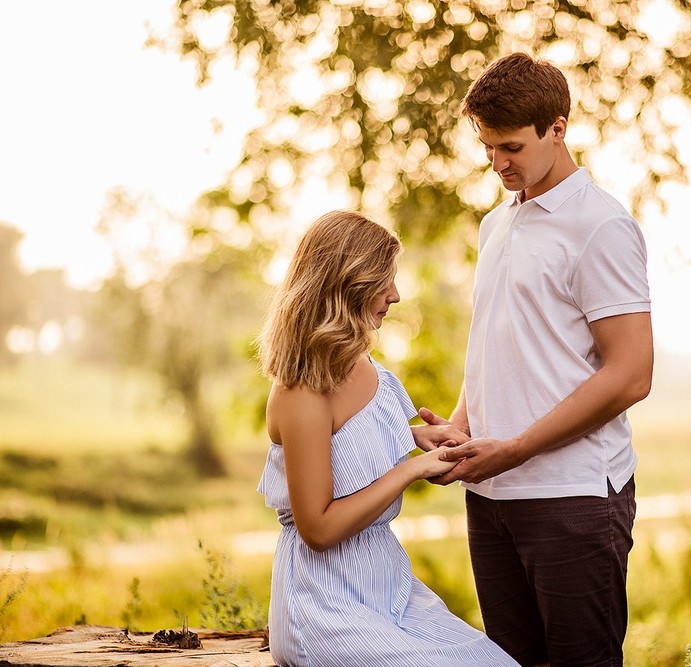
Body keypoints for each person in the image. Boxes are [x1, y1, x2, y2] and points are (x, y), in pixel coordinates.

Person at [420, 53, 654, 667]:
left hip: (572, 499)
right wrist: (463, 426)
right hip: (491, 494)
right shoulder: (495, 223)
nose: (498, 163)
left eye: (511, 147)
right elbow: (497, 343)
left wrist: (516, 448)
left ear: (558, 128)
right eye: (488, 148)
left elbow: (631, 374)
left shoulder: (600, 226)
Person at [255, 210, 518, 667]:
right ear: (347, 285)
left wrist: (417, 435)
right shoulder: (300, 390)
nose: (395, 295)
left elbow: (347, 439)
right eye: (384, 281)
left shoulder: (362, 365)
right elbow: (318, 529)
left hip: (387, 586)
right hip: (324, 606)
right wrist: (410, 468)